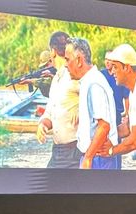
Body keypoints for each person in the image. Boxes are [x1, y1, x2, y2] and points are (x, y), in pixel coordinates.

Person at [64, 38, 118, 169]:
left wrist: (88, 157)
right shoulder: (90, 81)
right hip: (96, 156)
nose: (65, 65)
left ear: (78, 60)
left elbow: (104, 125)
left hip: (97, 159)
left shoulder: (94, 84)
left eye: (67, 59)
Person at [36, 31, 82, 169]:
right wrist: (43, 124)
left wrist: (83, 107)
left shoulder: (75, 75)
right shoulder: (56, 78)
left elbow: (97, 95)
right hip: (57, 150)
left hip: (74, 150)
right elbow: (50, 111)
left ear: (52, 52)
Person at [100, 52, 130, 168]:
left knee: (116, 141)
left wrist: (127, 114)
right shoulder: (100, 75)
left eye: (110, 60)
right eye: (106, 59)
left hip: (117, 113)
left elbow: (126, 97)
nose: (107, 62)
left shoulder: (119, 75)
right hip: (104, 113)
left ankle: (117, 168)